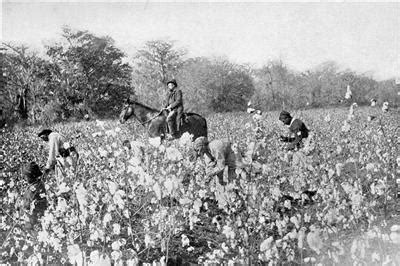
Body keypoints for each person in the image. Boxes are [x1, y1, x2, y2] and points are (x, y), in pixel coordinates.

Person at [22, 162, 48, 229]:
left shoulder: (35, 189)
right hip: (30, 220)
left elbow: (34, 206)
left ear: (30, 177)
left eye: (26, 176)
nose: (24, 178)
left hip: (33, 222)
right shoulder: (35, 185)